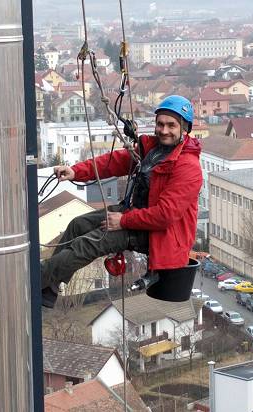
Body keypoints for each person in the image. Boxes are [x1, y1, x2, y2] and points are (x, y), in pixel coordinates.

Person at [41, 95, 203, 308]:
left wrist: (124, 221)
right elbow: (112, 163)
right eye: (160, 124)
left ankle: (33, 280)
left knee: (86, 245)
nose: (164, 130)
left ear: (185, 129)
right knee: (78, 225)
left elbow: (165, 215)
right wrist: (75, 171)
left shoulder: (188, 167)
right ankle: (48, 289)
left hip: (157, 233)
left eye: (171, 125)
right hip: (136, 214)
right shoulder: (153, 151)